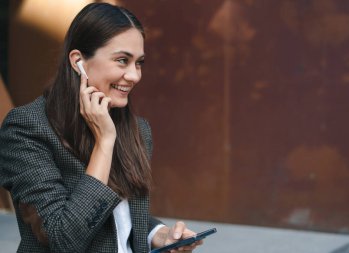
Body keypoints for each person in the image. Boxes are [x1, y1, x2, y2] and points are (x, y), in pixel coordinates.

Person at [0, 3, 202, 253]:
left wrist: (158, 234)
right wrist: (104, 143)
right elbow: (63, 240)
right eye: (122, 60)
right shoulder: (27, 129)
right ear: (78, 62)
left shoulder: (136, 129)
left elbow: (117, 212)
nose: (134, 75)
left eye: (139, 62)